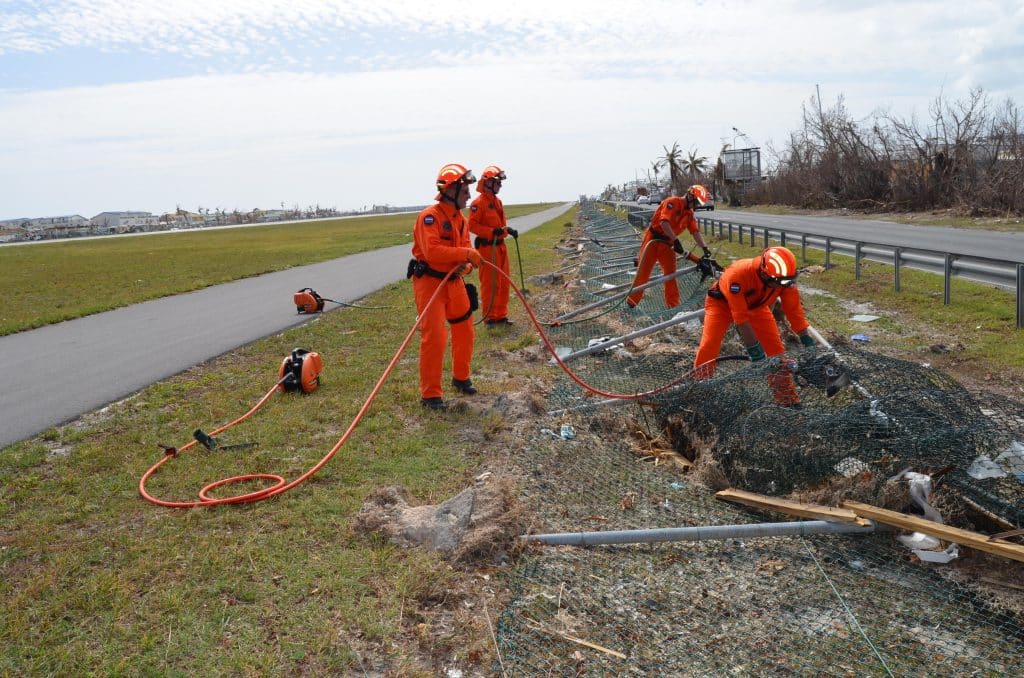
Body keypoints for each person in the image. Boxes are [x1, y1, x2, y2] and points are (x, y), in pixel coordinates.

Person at [692, 246, 817, 406]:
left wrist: (806, 338)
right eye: (780, 283)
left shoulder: (784, 279)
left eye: (788, 282)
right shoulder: (738, 275)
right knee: (709, 345)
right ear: (764, 274)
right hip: (721, 305)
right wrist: (754, 349)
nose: (783, 287)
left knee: (777, 354)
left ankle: (787, 400)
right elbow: (741, 320)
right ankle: (698, 390)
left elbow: (794, 310)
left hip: (757, 307)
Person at [408, 163, 482, 410]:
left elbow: (466, 257)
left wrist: (467, 266)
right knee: (435, 337)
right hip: (430, 284)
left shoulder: (461, 220)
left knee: (465, 328)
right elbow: (433, 251)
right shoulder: (430, 217)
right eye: (465, 191)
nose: (469, 196)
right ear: (450, 190)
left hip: (454, 282)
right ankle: (430, 394)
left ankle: (461, 378)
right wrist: (466, 254)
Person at [627, 184, 719, 309]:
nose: (697, 206)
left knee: (671, 275)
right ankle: (631, 304)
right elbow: (664, 223)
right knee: (643, 272)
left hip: (668, 244)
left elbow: (695, 232)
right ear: (690, 196)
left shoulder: (689, 213)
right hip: (653, 239)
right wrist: (676, 241)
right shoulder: (672, 203)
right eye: (696, 202)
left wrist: (705, 248)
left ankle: (672, 306)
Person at [467, 165, 517, 326]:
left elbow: (500, 225)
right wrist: (490, 232)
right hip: (488, 249)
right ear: (488, 183)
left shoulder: (497, 202)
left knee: (503, 282)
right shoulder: (478, 203)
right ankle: (490, 318)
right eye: (497, 182)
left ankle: (501, 315)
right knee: (490, 283)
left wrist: (508, 231)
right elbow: (472, 226)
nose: (500, 185)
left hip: (501, 248)